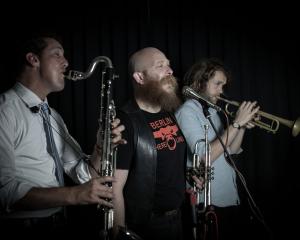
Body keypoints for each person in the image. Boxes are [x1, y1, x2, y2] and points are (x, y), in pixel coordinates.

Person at [0, 33, 126, 238]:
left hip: (57, 224)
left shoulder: (53, 115)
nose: (66, 62)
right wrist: (75, 195)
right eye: (57, 54)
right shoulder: (5, 110)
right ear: (33, 59)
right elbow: (4, 192)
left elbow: (84, 174)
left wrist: (101, 146)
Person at [112, 47, 201, 240]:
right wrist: (119, 233)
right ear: (139, 78)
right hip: (147, 226)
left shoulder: (167, 111)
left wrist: (186, 175)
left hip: (178, 218)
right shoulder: (125, 120)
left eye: (168, 65)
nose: (170, 71)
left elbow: (163, 158)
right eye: (160, 66)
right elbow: (114, 188)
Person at [175, 58, 260, 240]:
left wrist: (243, 126)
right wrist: (236, 123)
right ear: (199, 83)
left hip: (227, 195)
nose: (222, 91)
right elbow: (205, 156)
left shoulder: (213, 111)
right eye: (218, 84)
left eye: (223, 85)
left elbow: (231, 150)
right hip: (207, 201)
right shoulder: (186, 112)